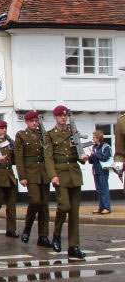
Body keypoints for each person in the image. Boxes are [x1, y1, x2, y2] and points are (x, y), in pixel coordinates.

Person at [44, 105, 88, 258]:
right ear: (55, 117)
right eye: (60, 116)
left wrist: (83, 157)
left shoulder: (73, 133)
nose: (63, 118)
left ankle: (74, 246)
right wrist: (53, 175)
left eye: (65, 116)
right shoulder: (50, 135)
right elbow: (48, 157)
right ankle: (56, 234)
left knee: (74, 212)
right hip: (60, 174)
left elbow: (78, 153)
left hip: (74, 173)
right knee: (64, 206)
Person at [14, 111, 52, 247]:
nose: (34, 123)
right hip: (30, 173)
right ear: (26, 122)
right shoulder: (21, 135)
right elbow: (19, 157)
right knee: (35, 201)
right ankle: (28, 227)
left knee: (44, 206)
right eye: (32, 121)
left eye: (36, 121)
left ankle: (43, 236)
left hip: (44, 173)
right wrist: (22, 176)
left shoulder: (44, 135)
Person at [0, 121, 20, 238]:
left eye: (5, 128)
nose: (4, 130)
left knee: (11, 205)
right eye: (1, 128)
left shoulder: (8, 141)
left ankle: (11, 229)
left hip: (9, 175)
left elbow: (14, 159)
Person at [88, 130, 112, 214]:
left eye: (94, 137)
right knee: (99, 190)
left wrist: (94, 154)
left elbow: (105, 158)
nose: (93, 139)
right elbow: (92, 161)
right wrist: (89, 157)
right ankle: (101, 207)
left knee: (104, 189)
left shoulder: (106, 146)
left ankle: (107, 208)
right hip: (96, 170)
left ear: (98, 138)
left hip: (103, 170)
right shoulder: (94, 147)